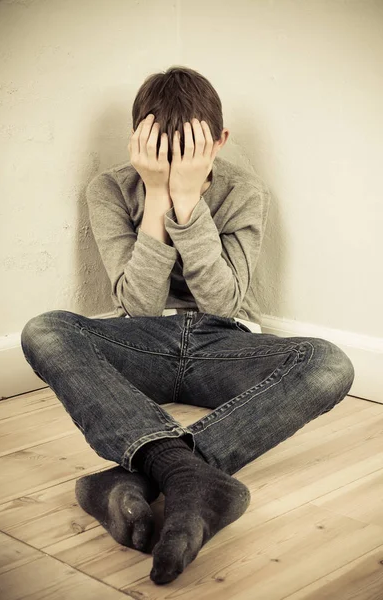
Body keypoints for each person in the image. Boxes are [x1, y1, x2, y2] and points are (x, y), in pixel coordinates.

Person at [20, 66, 355, 586]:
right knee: (45, 329)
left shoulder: (244, 192)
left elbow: (224, 299)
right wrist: (155, 198)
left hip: (224, 342)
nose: (177, 166)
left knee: (330, 363)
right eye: (162, 154)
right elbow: (141, 307)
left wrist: (188, 201)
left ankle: (135, 476)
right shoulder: (110, 188)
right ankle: (193, 479)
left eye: (190, 155)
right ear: (139, 143)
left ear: (219, 141)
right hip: (146, 343)